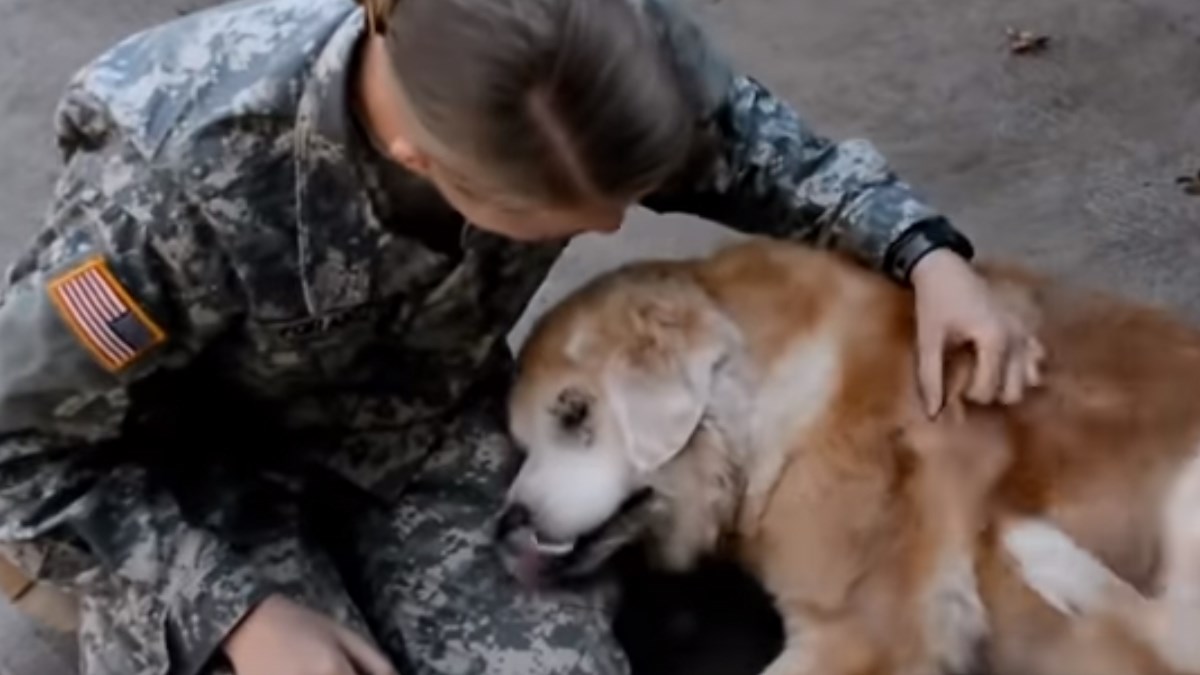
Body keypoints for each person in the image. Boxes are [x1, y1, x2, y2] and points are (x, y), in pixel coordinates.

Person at [0, 0, 1043, 673]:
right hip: (188, 494)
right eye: (555, 215)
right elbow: (17, 448)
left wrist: (923, 254)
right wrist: (234, 609)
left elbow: (749, 147)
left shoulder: (582, 49)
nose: (603, 228)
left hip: (420, 435)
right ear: (417, 151)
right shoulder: (168, 187)